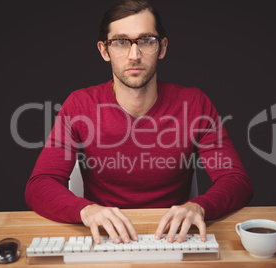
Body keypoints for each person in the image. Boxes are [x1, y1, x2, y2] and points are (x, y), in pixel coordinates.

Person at [25, 0, 253, 245]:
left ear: (162, 47)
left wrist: (199, 207)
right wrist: (87, 210)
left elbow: (236, 180)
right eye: (121, 42)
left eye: (146, 41)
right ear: (104, 51)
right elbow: (40, 184)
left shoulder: (195, 103)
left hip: (173, 238)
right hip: (104, 238)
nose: (134, 55)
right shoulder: (79, 105)